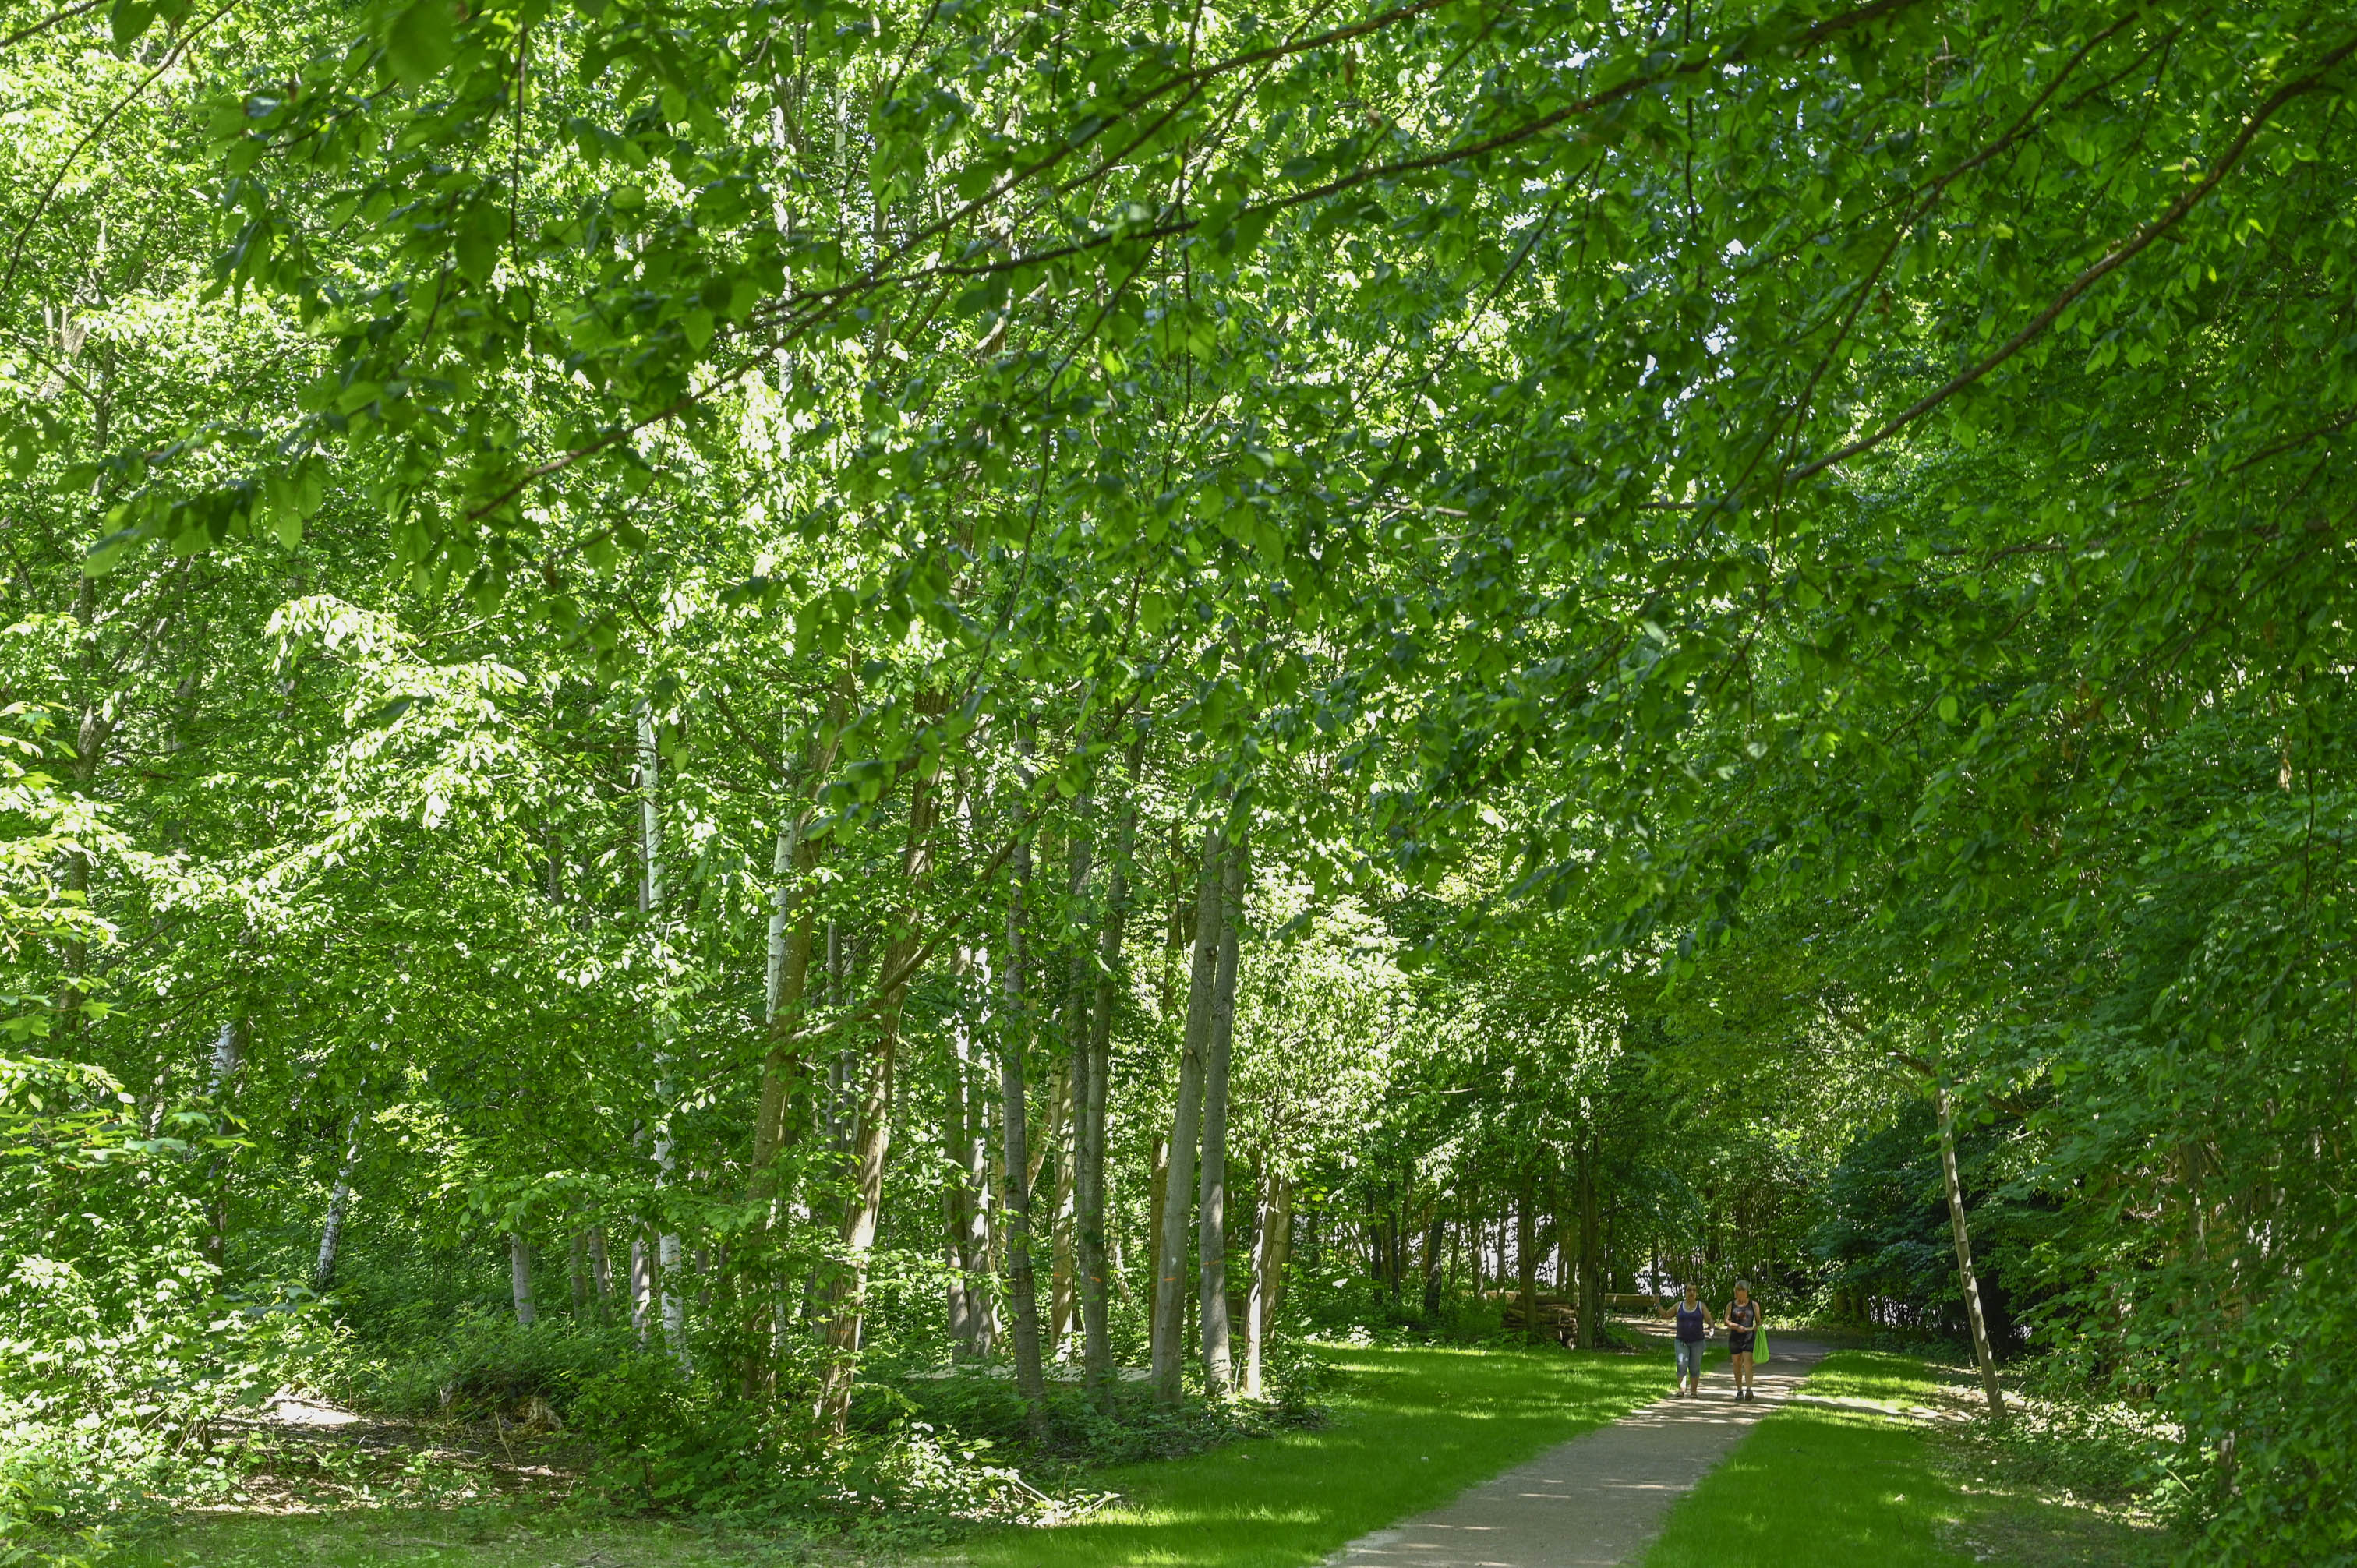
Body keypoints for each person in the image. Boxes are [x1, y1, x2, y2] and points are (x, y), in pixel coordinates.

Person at [1654, 1284, 1712, 1397]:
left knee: (1695, 1367)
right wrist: (1657, 1304)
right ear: (1685, 1292)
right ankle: (1681, 1390)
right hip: (1681, 1341)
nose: (1692, 1292)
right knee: (1681, 1364)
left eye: (1694, 1290)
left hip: (1698, 1342)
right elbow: (1666, 1315)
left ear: (1696, 1293)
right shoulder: (1678, 1305)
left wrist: (1712, 1327)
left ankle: (1694, 1392)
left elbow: (1709, 1318)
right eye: (1689, 1290)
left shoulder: (1701, 1306)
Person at [1724, 1281, 1762, 1400]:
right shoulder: (1731, 1305)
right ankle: (1739, 1390)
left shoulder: (1754, 1305)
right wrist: (1736, 1327)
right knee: (1737, 1365)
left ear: (1746, 1292)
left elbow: (1759, 1321)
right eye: (1738, 1291)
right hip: (1735, 1338)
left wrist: (1757, 1326)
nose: (1740, 1294)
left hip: (1749, 1337)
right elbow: (1726, 1321)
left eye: (1742, 1291)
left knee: (1748, 1363)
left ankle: (1749, 1390)